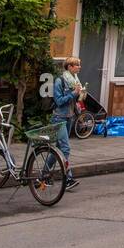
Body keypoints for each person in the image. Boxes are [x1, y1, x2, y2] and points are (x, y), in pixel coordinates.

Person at [51, 56, 83, 190]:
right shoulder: (60, 81)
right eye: (77, 65)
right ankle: (68, 179)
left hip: (69, 117)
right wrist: (73, 94)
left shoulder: (75, 80)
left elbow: (73, 98)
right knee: (65, 148)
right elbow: (58, 101)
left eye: (79, 65)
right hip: (59, 118)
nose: (79, 67)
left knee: (57, 149)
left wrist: (79, 99)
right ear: (69, 67)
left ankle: (42, 175)